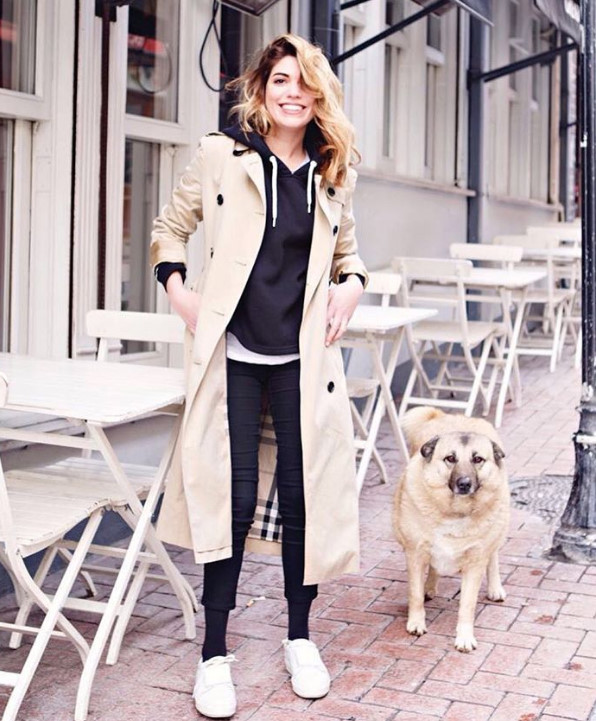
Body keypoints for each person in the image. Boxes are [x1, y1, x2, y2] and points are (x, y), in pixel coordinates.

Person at [150, 33, 368, 719]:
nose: (292, 93)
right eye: (280, 80)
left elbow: (349, 255)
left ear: (318, 95)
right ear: (261, 88)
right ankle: (214, 653)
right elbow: (168, 230)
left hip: (303, 360)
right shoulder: (223, 155)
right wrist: (182, 296)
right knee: (234, 499)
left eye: (304, 83)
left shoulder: (332, 171)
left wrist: (352, 287)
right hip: (235, 356)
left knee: (303, 499)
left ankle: (300, 637)